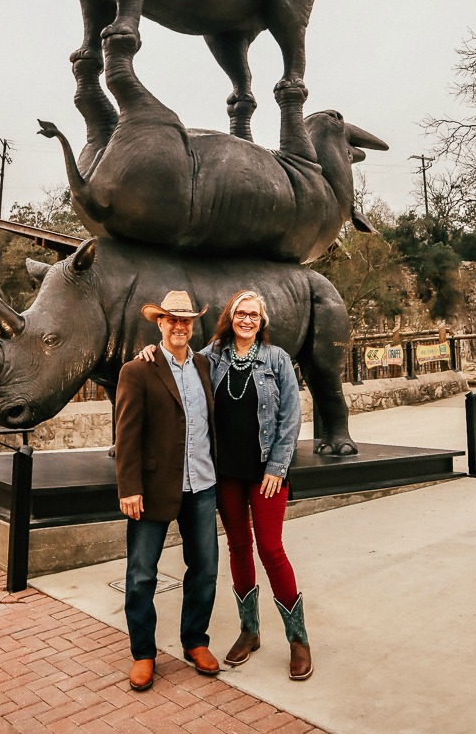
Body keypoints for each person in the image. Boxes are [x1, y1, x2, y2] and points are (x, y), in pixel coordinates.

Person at [140, 289, 312, 680]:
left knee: (270, 548)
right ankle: (249, 631)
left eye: (254, 314)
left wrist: (277, 467)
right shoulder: (213, 357)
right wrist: (147, 353)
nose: (247, 320)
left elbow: (290, 418)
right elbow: (175, 354)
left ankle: (298, 639)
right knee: (237, 547)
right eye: (241, 313)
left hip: (267, 473)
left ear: (262, 320)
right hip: (226, 474)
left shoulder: (277, 360)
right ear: (231, 317)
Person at [115, 290, 220, 692]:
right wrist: (129, 487)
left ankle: (195, 641)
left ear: (194, 325)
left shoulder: (205, 365)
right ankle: (144, 652)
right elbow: (126, 435)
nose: (179, 326)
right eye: (171, 319)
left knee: (205, 570)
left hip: (202, 483)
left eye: (186, 320)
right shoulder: (138, 369)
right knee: (142, 574)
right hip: (154, 487)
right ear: (159, 323)